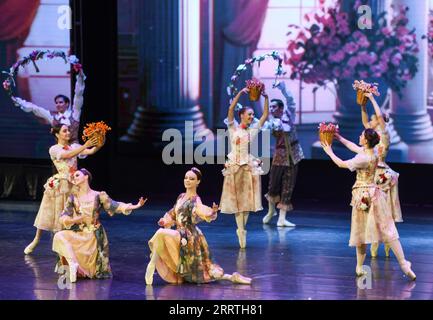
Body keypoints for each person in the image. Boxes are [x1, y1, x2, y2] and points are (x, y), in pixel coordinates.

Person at [321, 129, 416, 280]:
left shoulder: (363, 158)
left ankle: (363, 266)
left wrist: (329, 152)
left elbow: (341, 164)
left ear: (365, 140)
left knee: (361, 230)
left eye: (361, 135)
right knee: (387, 229)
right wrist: (339, 137)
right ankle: (401, 264)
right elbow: (353, 146)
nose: (359, 136)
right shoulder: (373, 153)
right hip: (375, 195)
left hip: (363, 197)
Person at [145, 168, 251, 285]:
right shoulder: (181, 196)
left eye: (192, 179)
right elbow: (173, 213)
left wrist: (211, 213)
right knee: (180, 279)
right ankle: (231, 277)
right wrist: (165, 221)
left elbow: (200, 210)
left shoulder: (196, 200)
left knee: (161, 233)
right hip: (179, 234)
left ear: (198, 182)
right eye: (186, 178)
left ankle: (151, 264)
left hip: (189, 236)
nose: (188, 181)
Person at [52, 168, 146, 283]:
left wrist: (135, 206)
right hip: (78, 232)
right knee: (58, 236)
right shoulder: (73, 197)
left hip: (93, 236)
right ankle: (73, 264)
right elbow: (63, 217)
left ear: (86, 177)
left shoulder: (98, 195)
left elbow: (115, 206)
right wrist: (75, 219)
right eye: (73, 177)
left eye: (77, 175)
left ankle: (82, 266)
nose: (74, 178)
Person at [24, 124, 101, 254]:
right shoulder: (54, 149)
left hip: (74, 183)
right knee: (49, 213)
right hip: (61, 185)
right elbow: (66, 155)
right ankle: (36, 239)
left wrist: (100, 142)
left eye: (68, 130)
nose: (68, 133)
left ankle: (71, 243)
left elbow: (91, 151)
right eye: (64, 131)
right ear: (57, 134)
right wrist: (84, 145)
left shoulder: (75, 146)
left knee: (74, 213)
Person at [220, 87, 269, 248]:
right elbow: (230, 109)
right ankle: (240, 230)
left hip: (247, 165)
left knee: (247, 201)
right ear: (242, 116)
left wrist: (266, 98)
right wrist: (241, 93)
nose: (252, 117)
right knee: (236, 201)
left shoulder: (252, 131)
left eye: (252, 115)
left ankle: (242, 230)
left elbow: (264, 116)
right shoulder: (233, 127)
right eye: (249, 114)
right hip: (234, 164)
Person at [361, 92, 403, 258]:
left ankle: (384, 242)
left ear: (380, 122)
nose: (370, 121)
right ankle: (376, 242)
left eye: (374, 119)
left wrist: (371, 98)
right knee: (374, 211)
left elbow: (378, 115)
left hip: (382, 176)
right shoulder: (373, 135)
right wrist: (363, 105)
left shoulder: (383, 134)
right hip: (374, 173)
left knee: (383, 212)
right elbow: (365, 121)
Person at [262, 81, 304, 227]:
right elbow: (260, 126)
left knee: (288, 186)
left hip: (293, 154)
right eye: (271, 107)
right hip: (279, 155)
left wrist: (283, 89)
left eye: (274, 107)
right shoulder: (271, 122)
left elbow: (291, 100)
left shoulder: (289, 114)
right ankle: (271, 211)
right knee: (273, 185)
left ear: (280, 108)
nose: (272, 109)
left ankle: (282, 218)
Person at [11, 72, 85, 143]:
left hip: (75, 149)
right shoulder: (53, 118)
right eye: (56, 103)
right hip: (60, 151)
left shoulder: (74, 114)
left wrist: (79, 77)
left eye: (60, 102)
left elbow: (78, 96)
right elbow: (35, 108)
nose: (58, 105)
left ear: (67, 104)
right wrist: (18, 101)